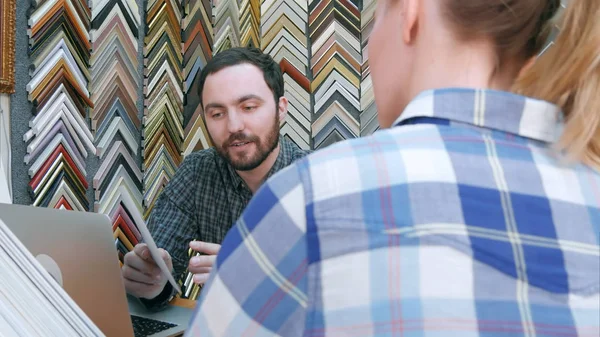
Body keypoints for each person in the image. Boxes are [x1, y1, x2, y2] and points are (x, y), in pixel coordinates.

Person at [186, 0, 600, 336]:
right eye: (217, 112)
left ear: (411, 13)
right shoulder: (590, 189)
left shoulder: (310, 197)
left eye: (375, 15)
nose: (235, 125)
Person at [121, 47, 310, 310]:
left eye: (249, 107)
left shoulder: (323, 178)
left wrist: (265, 280)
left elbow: (351, 296)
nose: (234, 126)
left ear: (281, 109)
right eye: (217, 114)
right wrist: (152, 283)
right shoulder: (198, 172)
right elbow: (162, 264)